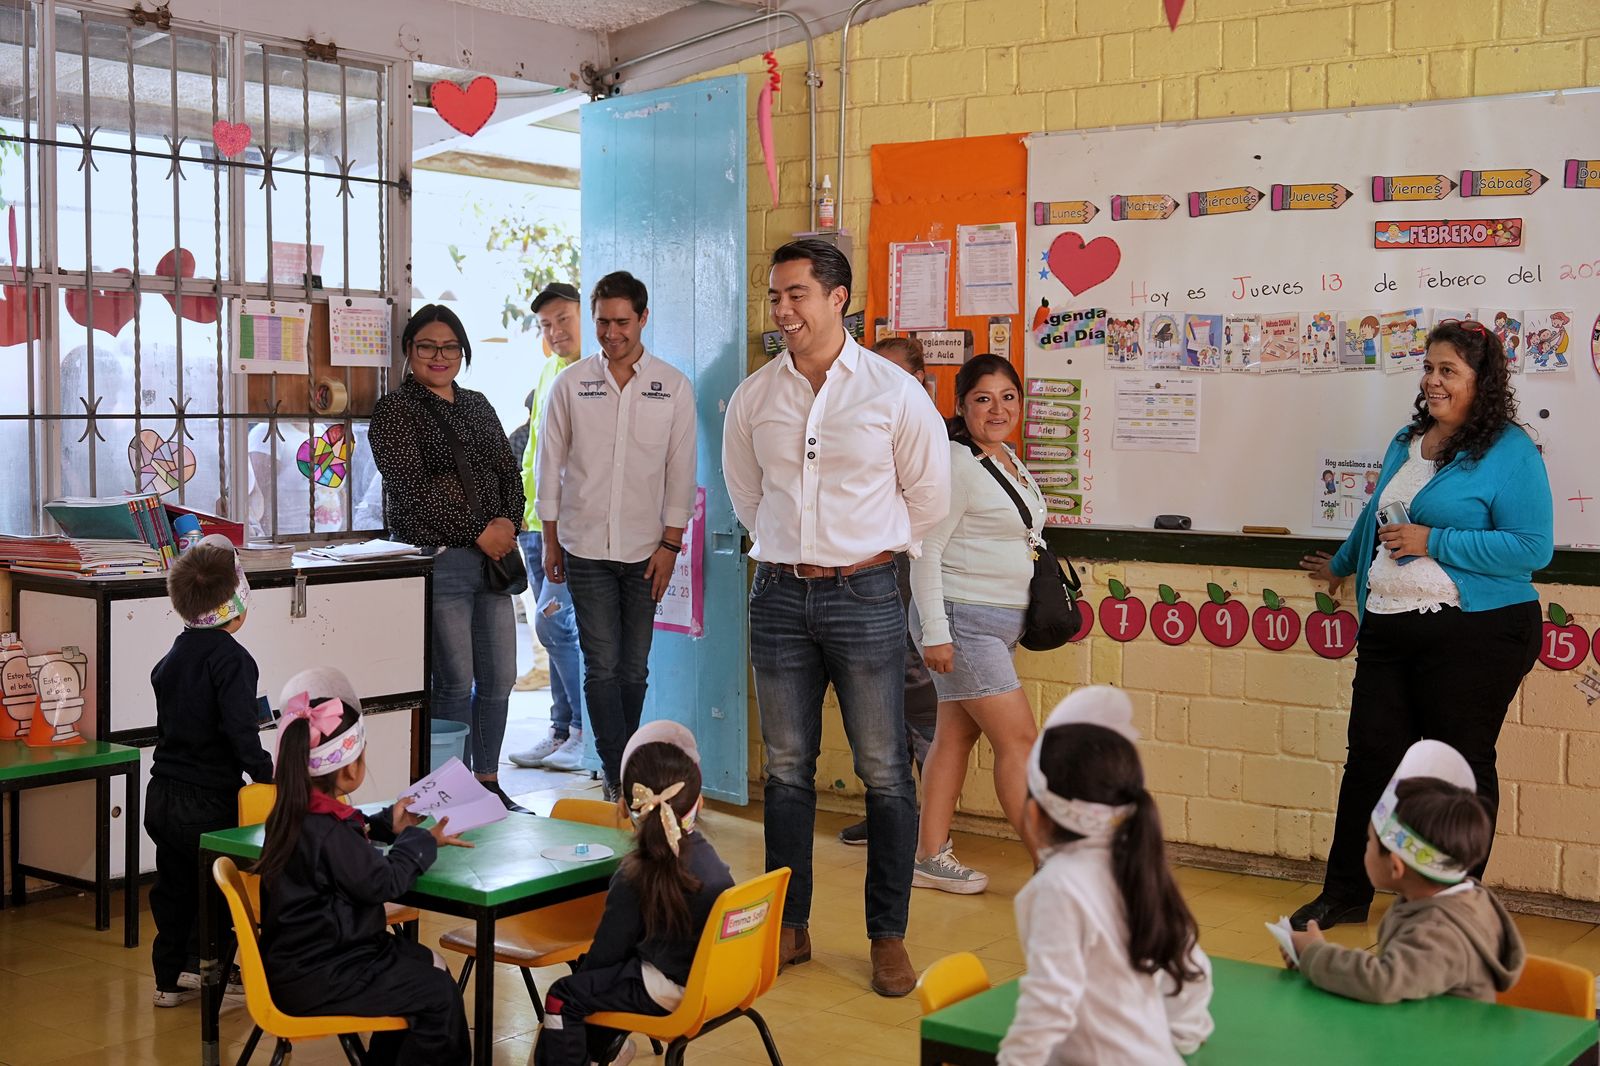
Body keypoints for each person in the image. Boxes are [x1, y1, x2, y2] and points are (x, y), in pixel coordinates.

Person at [722, 238, 950, 997]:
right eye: (775, 295)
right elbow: (746, 496)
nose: (782, 310)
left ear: (837, 298)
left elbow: (929, 499)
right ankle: (790, 926)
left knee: (886, 772)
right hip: (779, 595)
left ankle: (888, 937)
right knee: (786, 772)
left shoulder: (892, 391)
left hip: (867, 594)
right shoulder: (755, 396)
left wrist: (866, 556)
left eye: (796, 295)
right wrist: (796, 553)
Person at [1294, 319, 1551, 931]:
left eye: (1449, 372)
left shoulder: (1509, 450)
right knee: (1370, 762)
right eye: (1429, 368)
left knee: (1457, 768)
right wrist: (1342, 564)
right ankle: (1346, 894)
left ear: (1482, 382)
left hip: (1477, 632)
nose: (1433, 381)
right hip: (1389, 629)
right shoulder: (1409, 440)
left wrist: (1434, 539)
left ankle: (1455, 909)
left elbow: (1532, 547)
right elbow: (1376, 514)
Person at [254, 667, 473, 1065]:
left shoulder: (293, 815)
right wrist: (421, 840)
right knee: (438, 995)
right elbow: (382, 883)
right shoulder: (328, 832)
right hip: (326, 972)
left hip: (307, 962)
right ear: (350, 768)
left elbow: (342, 852)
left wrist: (386, 823)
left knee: (425, 965)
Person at [536, 271, 697, 798]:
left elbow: (681, 469)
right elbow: (549, 465)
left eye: (621, 322)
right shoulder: (570, 383)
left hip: (647, 551)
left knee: (634, 668)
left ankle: (622, 761)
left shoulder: (671, 386)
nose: (610, 333)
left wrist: (671, 545)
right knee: (600, 666)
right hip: (584, 548)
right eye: (602, 321)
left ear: (643, 319)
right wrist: (551, 539)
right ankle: (617, 773)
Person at [370, 304, 528, 812]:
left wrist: (506, 525)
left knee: (500, 677)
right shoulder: (395, 411)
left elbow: (510, 473)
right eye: (427, 347)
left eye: (450, 347)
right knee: (455, 681)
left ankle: (487, 782)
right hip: (440, 559)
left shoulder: (479, 404)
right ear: (409, 353)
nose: (440, 356)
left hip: (494, 560)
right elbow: (411, 490)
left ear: (463, 352)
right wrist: (478, 530)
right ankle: (448, 792)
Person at [1000, 687, 1213, 1065]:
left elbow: (1048, 1004)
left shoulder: (1058, 886)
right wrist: (1182, 1035)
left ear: (1035, 814)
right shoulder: (1136, 863)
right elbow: (1190, 958)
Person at [909, 354, 1045, 894]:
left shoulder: (1005, 457)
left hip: (995, 621)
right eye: (983, 399)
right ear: (962, 405)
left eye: (1008, 397)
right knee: (1020, 741)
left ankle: (929, 857)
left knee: (953, 738)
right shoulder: (956, 463)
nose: (997, 409)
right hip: (964, 623)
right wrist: (936, 631)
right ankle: (1052, 864)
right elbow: (925, 551)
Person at [533, 720, 733, 1066]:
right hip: (720, 981)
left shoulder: (634, 874)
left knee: (564, 996)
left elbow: (607, 954)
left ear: (625, 807)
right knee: (605, 978)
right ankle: (600, 1052)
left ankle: (593, 1054)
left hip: (671, 989)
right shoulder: (708, 857)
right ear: (699, 803)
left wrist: (586, 974)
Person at [1288, 740, 1524, 1004]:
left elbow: (1383, 981)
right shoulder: (1438, 902)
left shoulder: (1439, 932)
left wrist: (1317, 956)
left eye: (1370, 843)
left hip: (1447, 1042)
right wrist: (1314, 960)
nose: (1364, 850)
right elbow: (1401, 968)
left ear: (1396, 866)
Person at [146, 535, 273, 1007]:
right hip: (207, 800)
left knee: (173, 888)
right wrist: (267, 774)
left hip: (162, 794)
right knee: (220, 889)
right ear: (235, 605)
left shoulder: (170, 660)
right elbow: (241, 732)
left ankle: (168, 977)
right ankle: (215, 971)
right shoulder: (234, 661)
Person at [837, 336, 939, 848]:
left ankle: (928, 824)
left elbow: (929, 512)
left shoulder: (932, 430)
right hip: (868, 580)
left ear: (922, 381)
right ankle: (889, 815)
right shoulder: (860, 421)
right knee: (875, 704)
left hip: (916, 577)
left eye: (900, 374)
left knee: (921, 701)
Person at [509, 283, 588, 772]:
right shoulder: (549, 371)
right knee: (553, 634)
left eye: (564, 319)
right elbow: (536, 453)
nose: (556, 332)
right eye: (546, 325)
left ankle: (584, 732)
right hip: (535, 526)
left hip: (568, 529)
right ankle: (560, 729)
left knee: (557, 624)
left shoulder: (593, 377)